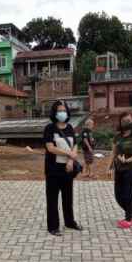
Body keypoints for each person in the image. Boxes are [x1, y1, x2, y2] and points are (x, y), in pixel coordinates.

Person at [43, 101, 84, 236]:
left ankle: (69, 222)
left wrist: (71, 160)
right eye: (59, 110)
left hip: (68, 168)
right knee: (52, 199)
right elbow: (50, 148)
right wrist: (68, 154)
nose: (62, 113)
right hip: (53, 169)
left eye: (64, 110)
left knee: (68, 197)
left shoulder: (70, 127)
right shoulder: (50, 128)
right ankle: (53, 227)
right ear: (54, 113)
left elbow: (75, 145)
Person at [109, 112, 132, 229]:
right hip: (119, 168)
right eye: (123, 120)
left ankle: (128, 218)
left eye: (128, 120)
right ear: (120, 122)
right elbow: (113, 153)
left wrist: (128, 160)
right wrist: (109, 167)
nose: (126, 122)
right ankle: (130, 214)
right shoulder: (117, 137)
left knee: (129, 194)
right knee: (118, 196)